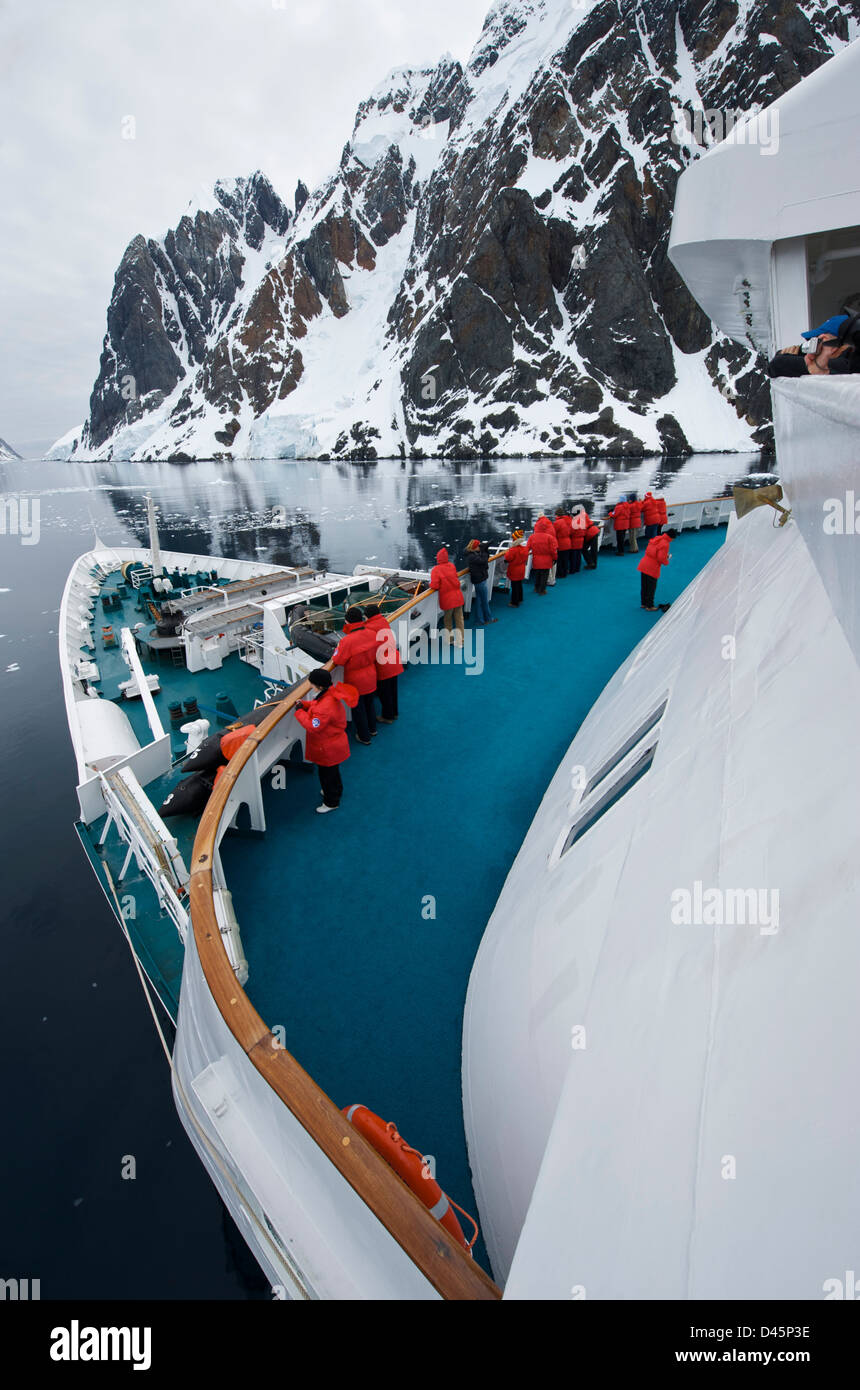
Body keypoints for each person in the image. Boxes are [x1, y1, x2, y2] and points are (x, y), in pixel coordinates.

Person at [294, 667, 359, 813]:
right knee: (333, 772)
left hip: (327, 748)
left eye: (311, 683)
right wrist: (304, 704)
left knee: (326, 775)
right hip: (334, 744)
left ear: (319, 686)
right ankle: (335, 791)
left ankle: (331, 802)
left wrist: (298, 712)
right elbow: (317, 706)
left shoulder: (324, 707)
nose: (310, 685)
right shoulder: (329, 694)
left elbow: (313, 726)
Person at [331, 606, 378, 744]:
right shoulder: (372, 633)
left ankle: (364, 736)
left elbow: (338, 660)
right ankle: (373, 729)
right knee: (370, 704)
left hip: (355, 680)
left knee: (358, 709)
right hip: (371, 674)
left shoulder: (346, 641)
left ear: (347, 622)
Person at [767, 313, 860, 376]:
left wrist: (818, 365)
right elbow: (775, 365)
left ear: (825, 339)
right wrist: (801, 351)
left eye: (815, 341)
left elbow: (777, 365)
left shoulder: (849, 362)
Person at [364, 602, 403, 722]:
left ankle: (388, 716)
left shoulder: (369, 628)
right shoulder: (383, 621)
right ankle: (394, 712)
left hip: (384, 664)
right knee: (393, 690)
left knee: (384, 692)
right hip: (394, 660)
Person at [430, 547, 465, 644]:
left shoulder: (436, 570)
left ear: (438, 558)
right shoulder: (452, 566)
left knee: (448, 620)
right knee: (459, 619)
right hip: (458, 597)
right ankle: (461, 641)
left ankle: (449, 639)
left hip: (448, 600)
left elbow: (435, 585)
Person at [638, 528, 678, 611]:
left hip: (644, 563)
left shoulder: (657, 538)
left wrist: (664, 556)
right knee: (651, 587)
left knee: (644, 585)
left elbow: (654, 552)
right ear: (672, 538)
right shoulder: (666, 544)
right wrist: (667, 561)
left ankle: (644, 603)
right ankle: (650, 606)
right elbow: (661, 558)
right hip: (652, 567)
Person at [465, 539, 497, 625]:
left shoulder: (474, 554)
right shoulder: (472, 556)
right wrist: (484, 550)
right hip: (479, 580)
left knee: (479, 600)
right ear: (475, 548)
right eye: (479, 546)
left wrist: (485, 549)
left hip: (480, 579)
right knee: (484, 601)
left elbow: (484, 560)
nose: (480, 547)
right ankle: (488, 619)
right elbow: (484, 561)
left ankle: (479, 620)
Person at [527, 515, 557, 594]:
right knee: (544, 575)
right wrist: (555, 558)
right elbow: (553, 550)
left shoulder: (532, 537)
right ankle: (542, 590)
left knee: (537, 574)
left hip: (536, 559)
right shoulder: (549, 537)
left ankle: (536, 588)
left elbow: (527, 548)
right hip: (547, 560)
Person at [504, 528, 528, 605]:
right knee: (519, 584)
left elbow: (508, 558)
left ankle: (514, 602)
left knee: (514, 586)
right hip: (521, 569)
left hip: (514, 570)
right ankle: (520, 598)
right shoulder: (524, 549)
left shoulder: (513, 550)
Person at [553, 508, 573, 577]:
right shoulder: (567, 521)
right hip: (568, 542)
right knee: (565, 559)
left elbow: (553, 533)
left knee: (560, 559)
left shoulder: (557, 522)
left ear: (556, 515)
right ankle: (565, 572)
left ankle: (560, 574)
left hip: (561, 543)